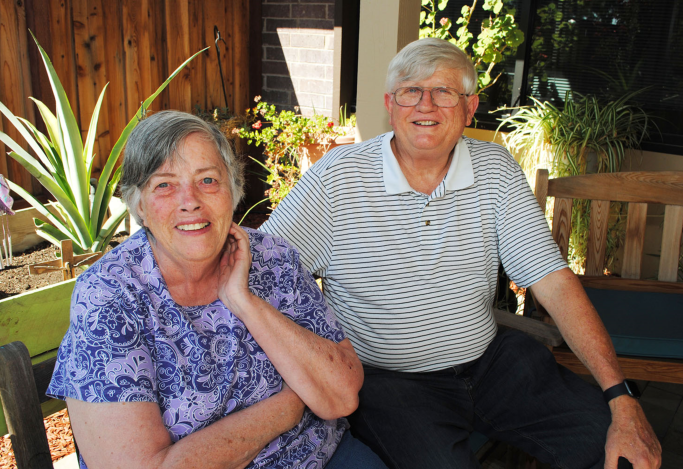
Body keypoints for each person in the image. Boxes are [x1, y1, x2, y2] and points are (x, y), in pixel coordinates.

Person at [259, 38, 661, 469]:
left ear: (470, 108)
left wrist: (621, 397)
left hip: (494, 364)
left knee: (618, 450)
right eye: (410, 91)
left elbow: (554, 281)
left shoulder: (496, 168)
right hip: (389, 383)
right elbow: (264, 271)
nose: (425, 105)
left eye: (444, 92)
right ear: (390, 105)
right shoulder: (338, 179)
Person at [47, 111, 388, 469]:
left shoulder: (272, 257)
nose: (190, 200)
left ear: (233, 191)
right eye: (164, 185)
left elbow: (341, 395)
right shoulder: (110, 296)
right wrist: (291, 405)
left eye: (208, 180)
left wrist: (244, 302)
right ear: (140, 205)